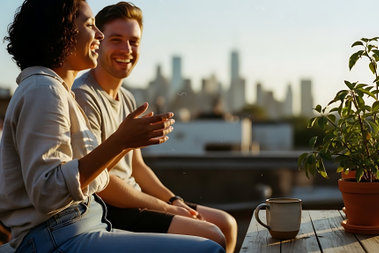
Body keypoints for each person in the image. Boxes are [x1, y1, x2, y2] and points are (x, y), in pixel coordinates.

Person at [0, 0, 225, 252]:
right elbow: (48, 193)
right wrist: (121, 141)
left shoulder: (57, 92)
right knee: (209, 247)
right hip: (57, 234)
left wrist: (170, 197)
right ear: (61, 32)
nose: (98, 34)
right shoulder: (43, 91)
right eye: (89, 25)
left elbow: (114, 168)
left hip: (84, 224)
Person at [73, 2, 237, 252]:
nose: (127, 49)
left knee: (227, 224)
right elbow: (98, 182)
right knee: (212, 235)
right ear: (99, 41)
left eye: (134, 41)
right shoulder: (83, 95)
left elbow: (137, 166)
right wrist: (167, 209)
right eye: (116, 39)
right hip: (110, 209)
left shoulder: (127, 98)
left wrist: (174, 199)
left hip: (138, 199)